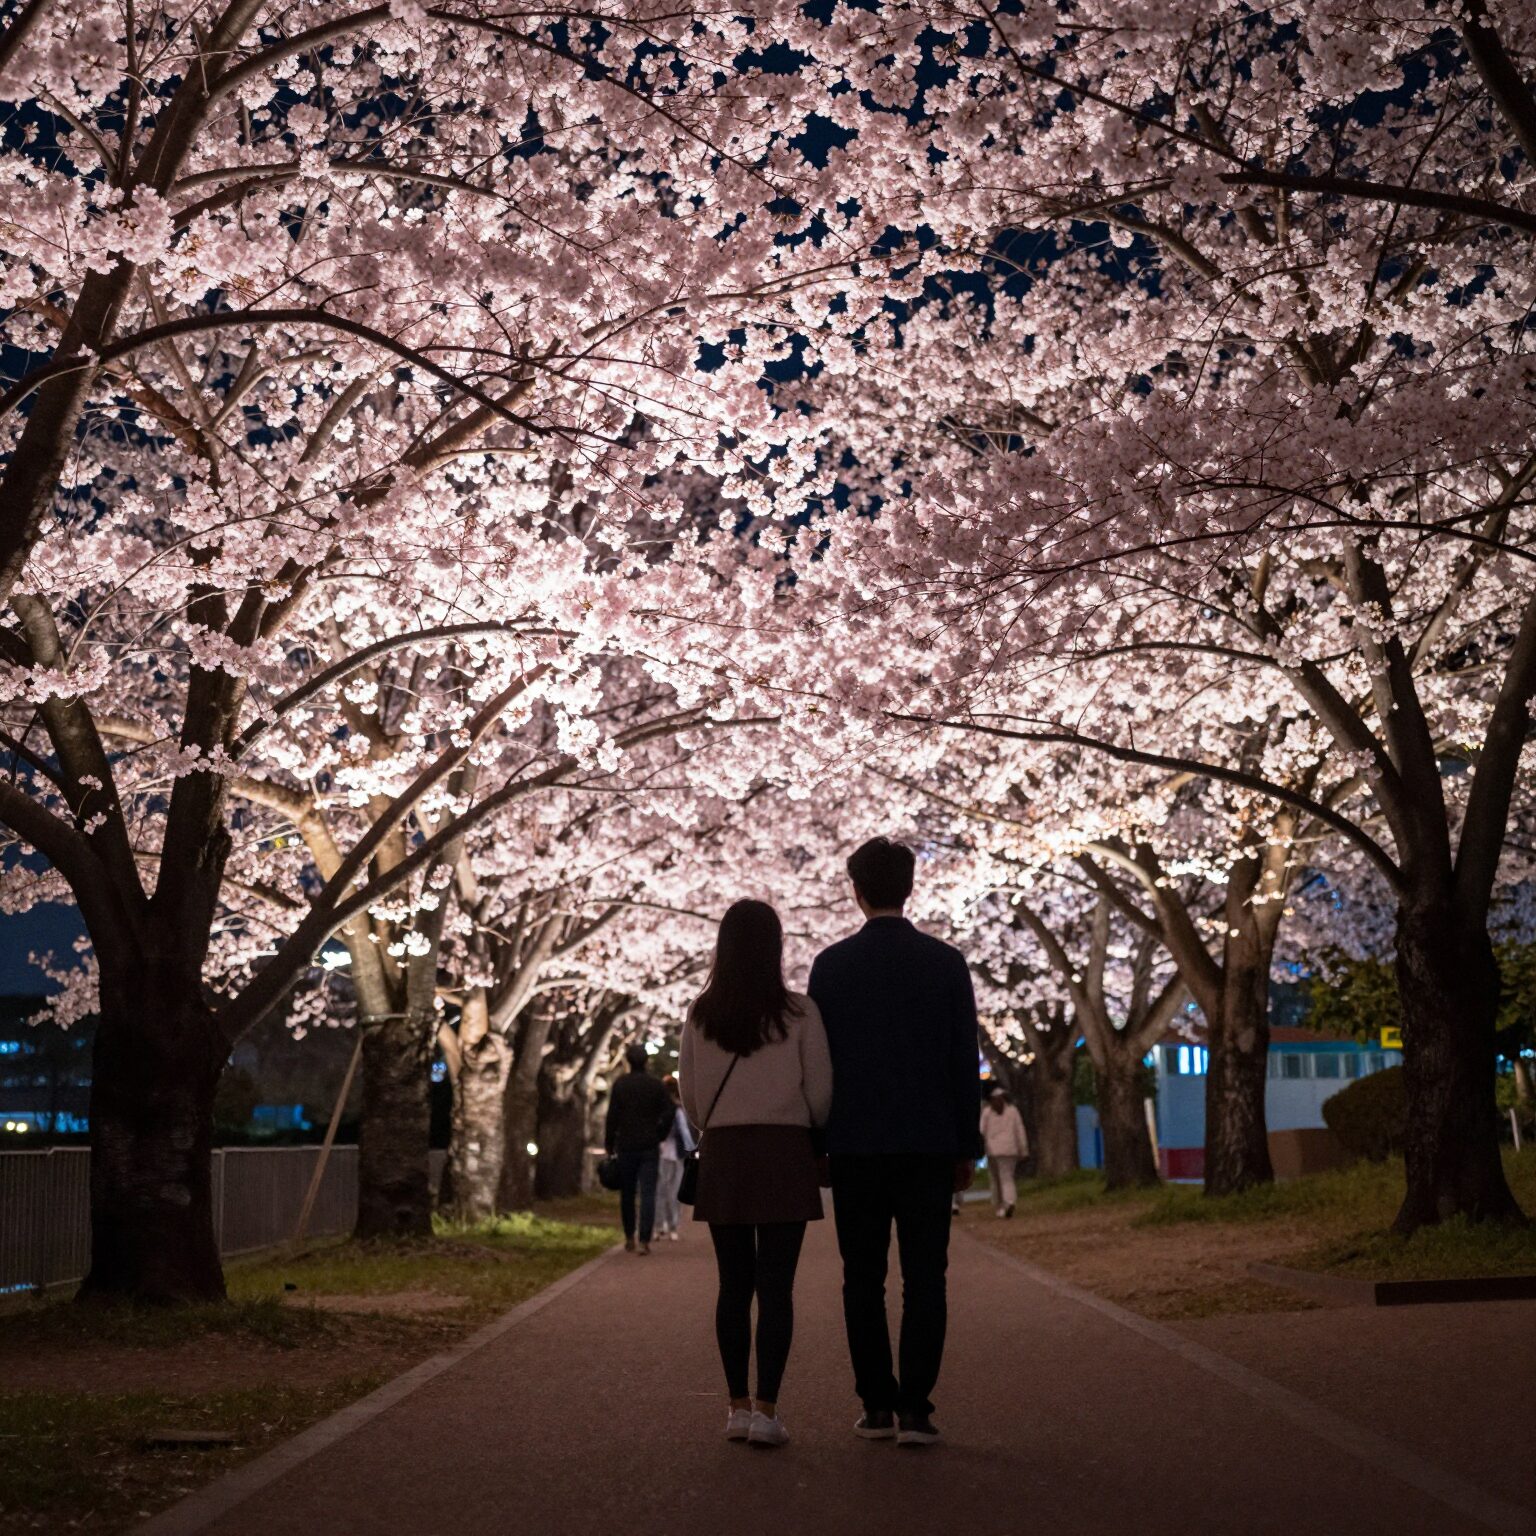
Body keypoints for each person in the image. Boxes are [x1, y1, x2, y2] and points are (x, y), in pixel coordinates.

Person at [808, 836, 982, 1448]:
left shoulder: (830, 967)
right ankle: (917, 1410)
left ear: (856, 891)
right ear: (910, 888)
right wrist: (968, 1143)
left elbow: (819, 1065)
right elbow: (965, 1061)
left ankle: (876, 1406)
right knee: (925, 1278)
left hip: (855, 1142)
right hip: (929, 1142)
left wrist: (819, 1142)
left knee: (862, 1278)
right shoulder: (945, 964)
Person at [681, 899, 833, 1450]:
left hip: (725, 1154)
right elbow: (820, 1097)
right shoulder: (800, 1013)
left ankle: (736, 1408)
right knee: (776, 1288)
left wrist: (720, 1122)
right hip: (783, 1152)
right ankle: (768, 1409)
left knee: (732, 1284)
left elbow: (692, 1100)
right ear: (776, 947)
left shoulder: (701, 1014)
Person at [605, 1042, 675, 1255]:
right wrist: (660, 1133)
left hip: (626, 1144)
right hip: (649, 1145)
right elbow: (670, 1110)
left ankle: (629, 1237)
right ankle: (644, 1239)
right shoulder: (655, 1085)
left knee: (627, 1193)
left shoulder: (621, 1084)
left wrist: (609, 1142)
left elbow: (612, 1116)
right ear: (647, 1061)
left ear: (627, 1060)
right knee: (648, 1193)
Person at [980, 1086, 1029, 1218]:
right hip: (1010, 1149)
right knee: (1007, 1178)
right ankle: (1010, 1201)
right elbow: (1020, 1130)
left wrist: (980, 1148)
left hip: (993, 1150)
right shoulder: (1013, 1111)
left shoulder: (987, 1112)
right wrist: (1023, 1149)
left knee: (995, 1180)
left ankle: (1000, 1205)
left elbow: (981, 1132)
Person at [656, 1076, 694, 1241]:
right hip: (678, 1154)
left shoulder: (660, 1108)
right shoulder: (680, 1109)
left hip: (662, 1152)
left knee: (661, 1191)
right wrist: (692, 1149)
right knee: (674, 1191)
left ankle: (660, 1225)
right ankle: (672, 1226)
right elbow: (686, 1133)